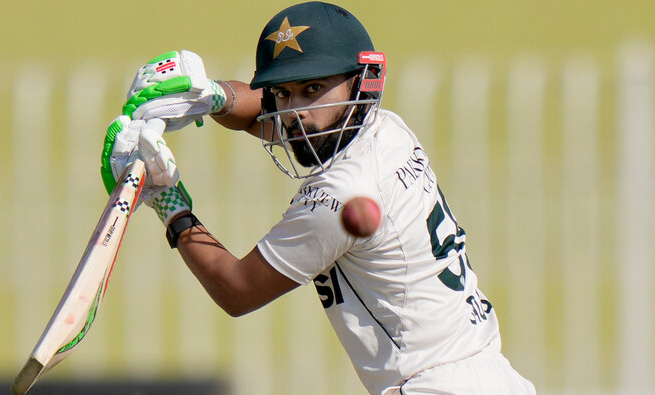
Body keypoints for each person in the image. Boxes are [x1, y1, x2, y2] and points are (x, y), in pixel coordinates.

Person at [99, 2, 536, 394]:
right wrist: (210, 94)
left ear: (361, 83)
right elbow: (268, 115)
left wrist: (166, 199)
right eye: (284, 92)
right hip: (494, 376)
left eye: (313, 89)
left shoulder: (339, 194)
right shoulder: (389, 130)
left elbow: (236, 290)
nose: (297, 111)